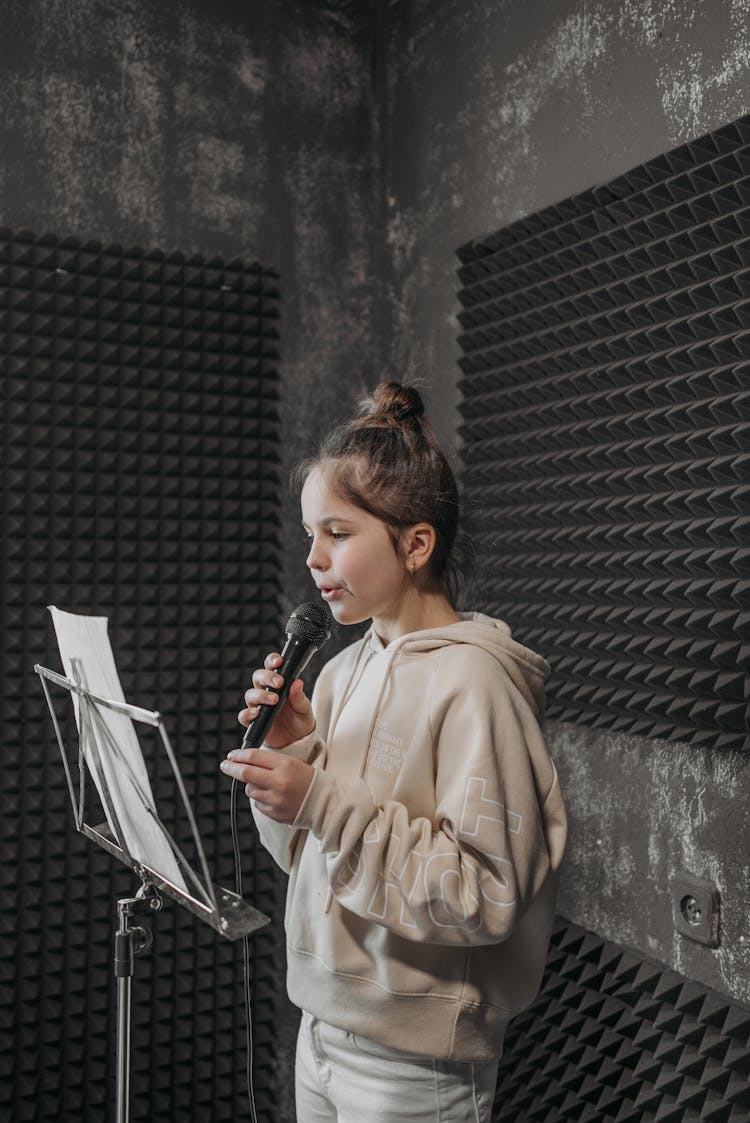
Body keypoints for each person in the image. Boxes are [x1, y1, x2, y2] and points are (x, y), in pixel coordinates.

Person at [220, 382, 567, 1123]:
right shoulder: (342, 667)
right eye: (309, 533)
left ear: (415, 543)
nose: (312, 558)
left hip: (414, 1068)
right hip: (318, 1032)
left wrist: (316, 796)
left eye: (337, 533)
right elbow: (304, 858)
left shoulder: (476, 684)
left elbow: (484, 892)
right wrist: (299, 750)